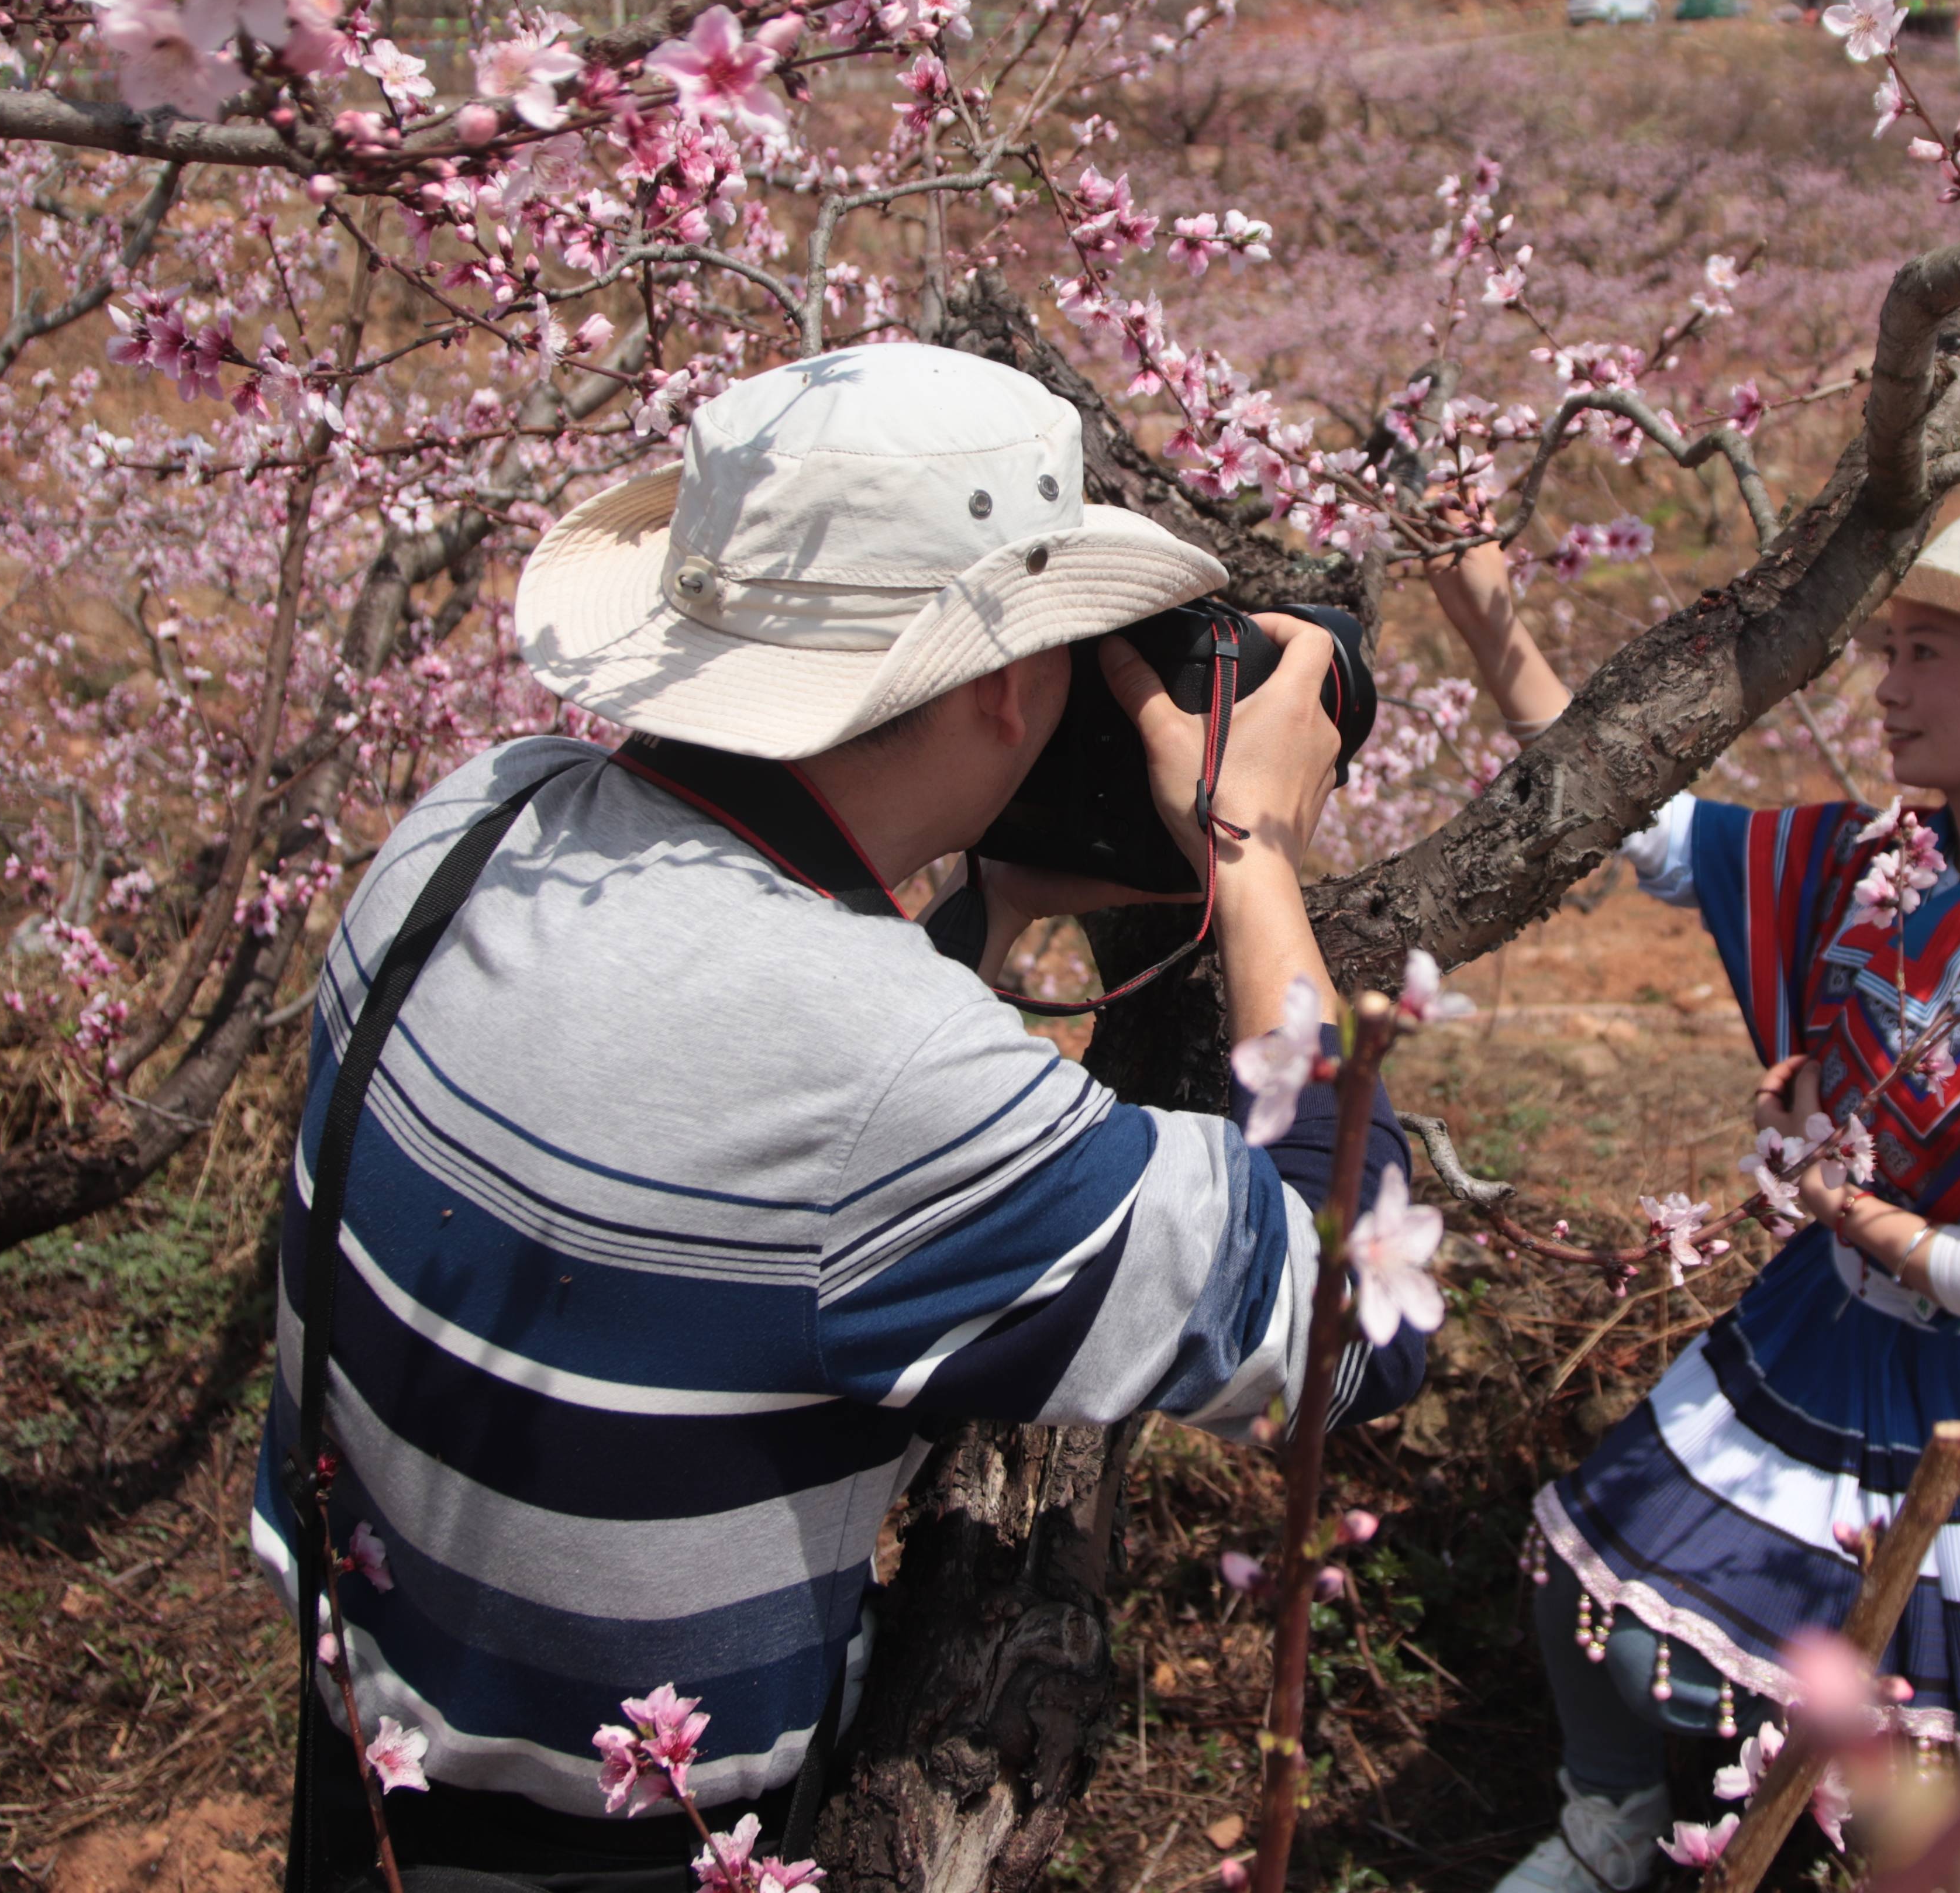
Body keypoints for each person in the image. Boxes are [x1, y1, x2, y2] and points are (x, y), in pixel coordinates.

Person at [258, 345, 1430, 1888]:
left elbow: (749, 1117)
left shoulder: (477, 816)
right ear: (1013, 684)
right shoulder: (882, 1076)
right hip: (634, 1846)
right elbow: (1356, 1320)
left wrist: (989, 914)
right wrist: (1252, 848)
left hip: (366, 1746)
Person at [1428, 501, 1960, 1893]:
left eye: (1925, 651)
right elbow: (1659, 832)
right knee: (1601, 1571)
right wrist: (1486, 616)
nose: (1885, 686)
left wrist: (1860, 1212)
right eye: (1886, 646)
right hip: (1838, 1323)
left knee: (1891, 1746)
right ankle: (1617, 1813)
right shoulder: (1893, 865)